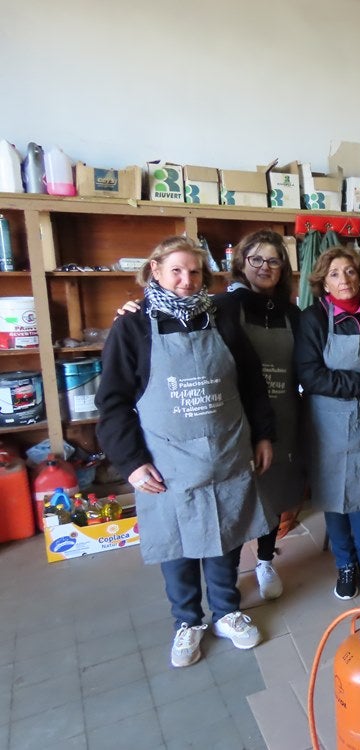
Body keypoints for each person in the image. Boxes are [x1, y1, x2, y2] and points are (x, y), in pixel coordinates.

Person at [96, 236, 275, 668]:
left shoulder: (223, 319)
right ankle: (187, 621)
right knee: (176, 544)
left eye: (194, 272)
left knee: (225, 535)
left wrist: (263, 435)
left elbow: (252, 384)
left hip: (226, 455)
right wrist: (131, 464)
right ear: (155, 270)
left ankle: (227, 612)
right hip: (166, 464)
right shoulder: (133, 326)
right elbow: (113, 403)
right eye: (175, 270)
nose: (185, 280)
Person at [296, 246, 360, 600]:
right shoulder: (313, 318)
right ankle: (345, 565)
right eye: (334, 274)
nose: (344, 280)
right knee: (334, 496)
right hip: (328, 421)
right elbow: (312, 376)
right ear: (323, 282)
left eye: (350, 271)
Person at [225, 230, 305, 601]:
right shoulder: (224, 307)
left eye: (273, 260)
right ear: (242, 263)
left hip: (283, 414)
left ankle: (265, 560)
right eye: (256, 259)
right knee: (237, 496)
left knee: (272, 493)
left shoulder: (292, 313)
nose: (264, 267)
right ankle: (226, 575)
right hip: (238, 417)